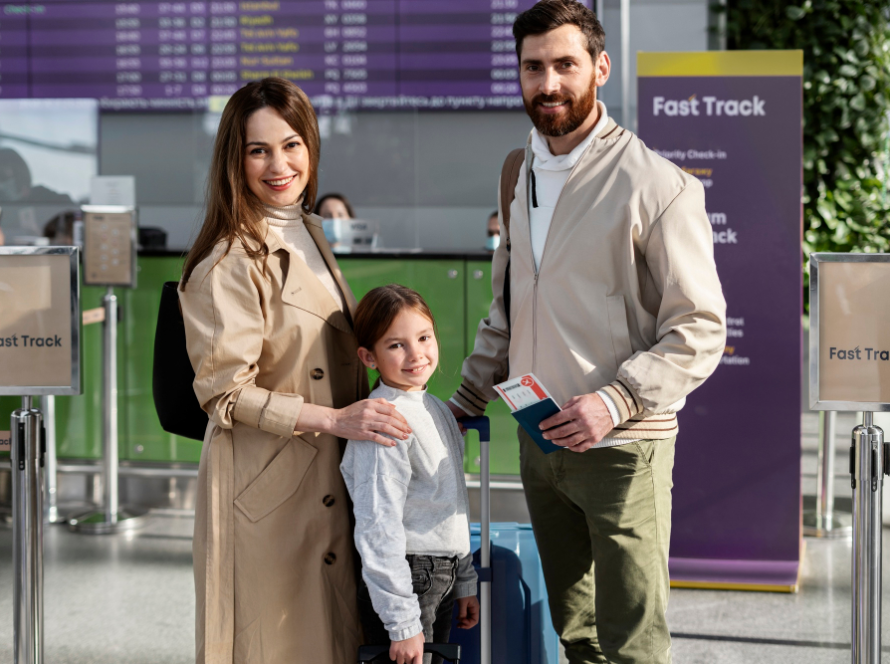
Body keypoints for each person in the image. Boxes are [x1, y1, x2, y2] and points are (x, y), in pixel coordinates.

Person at [448, 2, 727, 663]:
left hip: (623, 449)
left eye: (566, 64)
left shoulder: (658, 186)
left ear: (600, 67)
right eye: (533, 67)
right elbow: (508, 307)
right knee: (578, 636)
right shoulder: (517, 174)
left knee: (632, 643)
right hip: (538, 440)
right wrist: (463, 401)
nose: (548, 84)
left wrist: (615, 401)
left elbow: (701, 326)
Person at [178, 77, 412, 664]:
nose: (278, 164)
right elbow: (225, 395)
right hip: (267, 486)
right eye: (258, 150)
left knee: (327, 637)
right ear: (235, 159)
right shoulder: (229, 260)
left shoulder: (306, 227)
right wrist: (335, 418)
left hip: (323, 469)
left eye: (291, 145)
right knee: (274, 643)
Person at [340, 285, 480, 664]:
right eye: (396, 345)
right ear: (369, 357)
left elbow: (451, 502)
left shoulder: (434, 407)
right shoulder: (384, 417)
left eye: (423, 337)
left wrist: (463, 578)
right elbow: (377, 524)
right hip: (409, 576)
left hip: (441, 572)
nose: (417, 354)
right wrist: (402, 623)